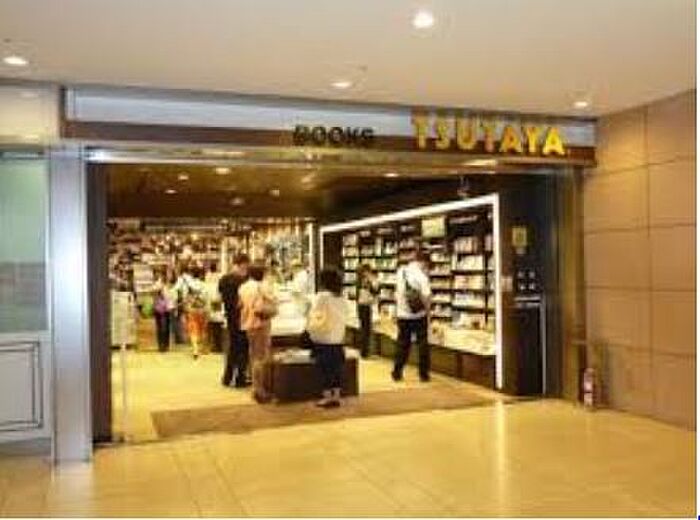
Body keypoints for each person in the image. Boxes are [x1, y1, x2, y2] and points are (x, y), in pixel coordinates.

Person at [306, 267, 347, 408]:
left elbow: (315, 314)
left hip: (323, 337)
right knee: (336, 369)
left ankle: (327, 397)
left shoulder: (322, 297)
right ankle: (337, 396)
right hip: (338, 337)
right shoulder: (341, 296)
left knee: (324, 369)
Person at [239, 263, 278, 402]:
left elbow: (240, 305)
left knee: (253, 355)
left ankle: (255, 388)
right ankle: (259, 390)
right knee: (260, 358)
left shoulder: (243, 287)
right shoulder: (261, 287)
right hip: (260, 323)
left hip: (248, 324)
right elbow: (268, 303)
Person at [393, 249, 432, 382]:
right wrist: (428, 312)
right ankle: (423, 374)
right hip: (419, 315)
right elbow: (426, 296)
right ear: (424, 262)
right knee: (422, 345)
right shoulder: (422, 276)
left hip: (402, 314)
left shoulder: (401, 271)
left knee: (402, 344)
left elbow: (397, 292)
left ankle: (397, 371)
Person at [218, 254, 251, 388]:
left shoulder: (224, 279)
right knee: (243, 347)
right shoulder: (243, 281)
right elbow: (242, 302)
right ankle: (240, 378)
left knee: (233, 347)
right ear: (243, 264)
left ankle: (227, 377)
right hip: (242, 317)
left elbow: (221, 297)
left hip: (230, 317)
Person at [184, 266, 208, 359]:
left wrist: (187, 307)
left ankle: (195, 350)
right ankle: (202, 348)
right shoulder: (203, 285)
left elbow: (186, 297)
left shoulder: (189, 285)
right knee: (202, 330)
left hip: (192, 310)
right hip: (202, 309)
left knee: (193, 330)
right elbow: (206, 298)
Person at [356, 263, 378, 358]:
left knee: (363, 328)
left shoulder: (359, 280)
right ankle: (365, 352)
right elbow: (374, 291)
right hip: (366, 306)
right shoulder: (366, 281)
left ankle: (363, 351)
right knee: (366, 329)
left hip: (360, 305)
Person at [152, 271, 175, 352]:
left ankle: (165, 345)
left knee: (165, 327)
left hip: (166, 308)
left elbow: (171, 297)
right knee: (162, 327)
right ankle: (162, 345)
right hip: (160, 309)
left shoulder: (169, 285)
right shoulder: (158, 284)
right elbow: (154, 291)